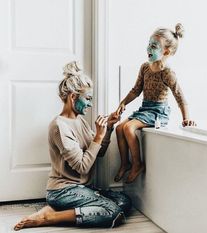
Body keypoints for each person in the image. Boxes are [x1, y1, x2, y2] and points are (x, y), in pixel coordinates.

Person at [14, 61, 131, 231]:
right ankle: (50, 217)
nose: (90, 104)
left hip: (83, 188)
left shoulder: (80, 120)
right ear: (73, 97)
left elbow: (99, 153)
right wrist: (98, 136)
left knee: (124, 201)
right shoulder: (59, 126)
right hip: (63, 191)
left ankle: (60, 210)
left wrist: (109, 128)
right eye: (88, 99)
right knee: (113, 211)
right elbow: (82, 167)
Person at [114, 23, 196, 184]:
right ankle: (125, 163)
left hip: (158, 112)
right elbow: (136, 90)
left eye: (154, 46)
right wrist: (123, 103)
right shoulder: (145, 67)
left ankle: (138, 164)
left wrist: (186, 118)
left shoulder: (167, 72)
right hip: (146, 108)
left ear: (166, 51)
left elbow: (179, 96)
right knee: (119, 128)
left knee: (128, 128)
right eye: (149, 44)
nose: (149, 49)